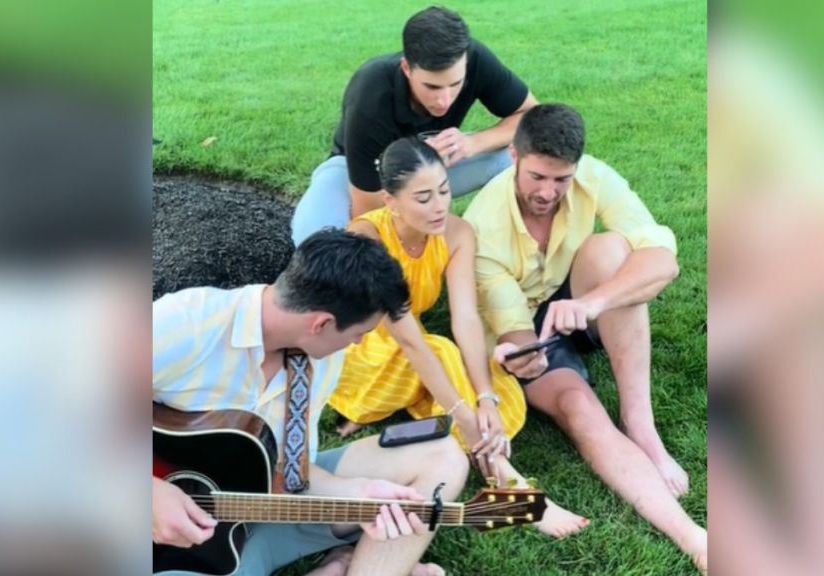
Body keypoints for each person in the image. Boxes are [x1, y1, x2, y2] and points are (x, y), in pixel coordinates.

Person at [463, 103, 708, 572]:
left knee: (614, 250)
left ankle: (641, 426)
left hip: (579, 302)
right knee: (578, 408)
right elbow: (512, 324)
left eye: (562, 179)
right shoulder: (482, 228)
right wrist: (524, 358)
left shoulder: (592, 176)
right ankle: (694, 538)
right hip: (526, 328)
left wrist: (593, 304)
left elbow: (663, 258)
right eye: (537, 177)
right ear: (513, 156)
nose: (549, 192)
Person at [152, 230, 467, 576]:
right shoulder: (187, 323)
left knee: (442, 455)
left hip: (251, 514)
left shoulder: (318, 360)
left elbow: (290, 472)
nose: (358, 343)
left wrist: (354, 492)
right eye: (358, 333)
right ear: (322, 323)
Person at [327, 137, 588, 539]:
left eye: (445, 191)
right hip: (361, 358)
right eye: (423, 197)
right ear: (391, 201)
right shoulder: (368, 238)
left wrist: (482, 396)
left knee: (500, 390)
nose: (439, 206)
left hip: (409, 355)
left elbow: (465, 317)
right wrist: (463, 414)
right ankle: (508, 479)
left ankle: (465, 430)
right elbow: (408, 338)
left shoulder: (457, 232)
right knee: (440, 352)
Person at [290, 5, 537, 246]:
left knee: (515, 158)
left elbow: (532, 115)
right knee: (316, 240)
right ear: (406, 68)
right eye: (432, 87)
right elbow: (368, 211)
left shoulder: (476, 59)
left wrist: (474, 143)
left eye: (455, 84)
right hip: (355, 172)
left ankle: (511, 246)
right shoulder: (371, 92)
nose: (445, 100)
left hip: (435, 164)